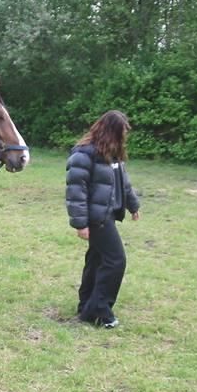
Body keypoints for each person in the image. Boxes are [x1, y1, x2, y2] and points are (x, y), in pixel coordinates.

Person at [65, 110, 140, 328]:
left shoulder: (113, 154)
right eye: (121, 132)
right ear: (110, 131)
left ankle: (86, 306)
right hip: (97, 218)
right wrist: (81, 223)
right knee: (116, 260)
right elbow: (75, 191)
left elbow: (123, 183)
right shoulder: (83, 154)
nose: (124, 137)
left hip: (109, 214)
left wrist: (133, 205)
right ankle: (99, 311)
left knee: (96, 260)